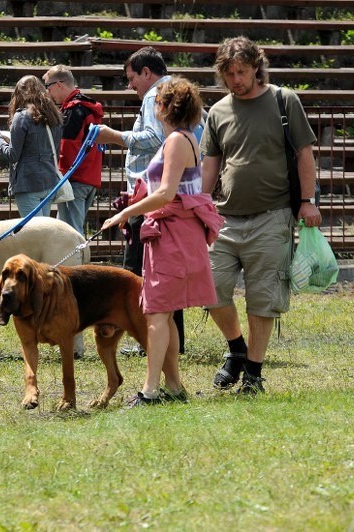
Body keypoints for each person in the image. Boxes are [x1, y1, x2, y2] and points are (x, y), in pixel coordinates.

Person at [200, 36, 322, 394]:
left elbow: (304, 155)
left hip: (273, 215)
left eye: (241, 71)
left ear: (256, 67)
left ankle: (253, 373)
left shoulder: (285, 101)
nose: (235, 79)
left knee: (262, 298)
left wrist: (308, 200)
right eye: (229, 73)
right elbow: (211, 163)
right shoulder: (219, 111)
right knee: (210, 289)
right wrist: (201, 205)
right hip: (225, 218)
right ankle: (237, 350)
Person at [101, 78, 223, 407]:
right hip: (171, 234)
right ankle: (174, 386)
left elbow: (167, 193)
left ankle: (150, 391)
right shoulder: (179, 139)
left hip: (174, 235)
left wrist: (125, 212)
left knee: (155, 315)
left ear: (164, 107)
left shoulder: (176, 142)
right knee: (163, 315)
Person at [95, 46, 186, 356]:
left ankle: (137, 333)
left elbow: (154, 137)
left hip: (149, 192)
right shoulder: (178, 91)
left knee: (135, 270)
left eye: (132, 78)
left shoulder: (153, 96)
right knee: (165, 271)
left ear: (147, 73)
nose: (130, 85)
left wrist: (113, 136)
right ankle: (175, 340)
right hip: (172, 191)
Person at [42, 65, 104, 236]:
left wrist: (58, 174)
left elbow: (67, 149)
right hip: (90, 177)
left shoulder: (73, 110)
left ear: (59, 84)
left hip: (74, 180)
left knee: (70, 234)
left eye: (48, 87)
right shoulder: (88, 107)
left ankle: (76, 263)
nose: (48, 93)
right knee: (68, 231)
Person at [0, 75, 64, 218]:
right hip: (48, 181)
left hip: (28, 182)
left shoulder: (22, 116)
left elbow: (13, 155)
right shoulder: (54, 115)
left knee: (34, 234)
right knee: (43, 232)